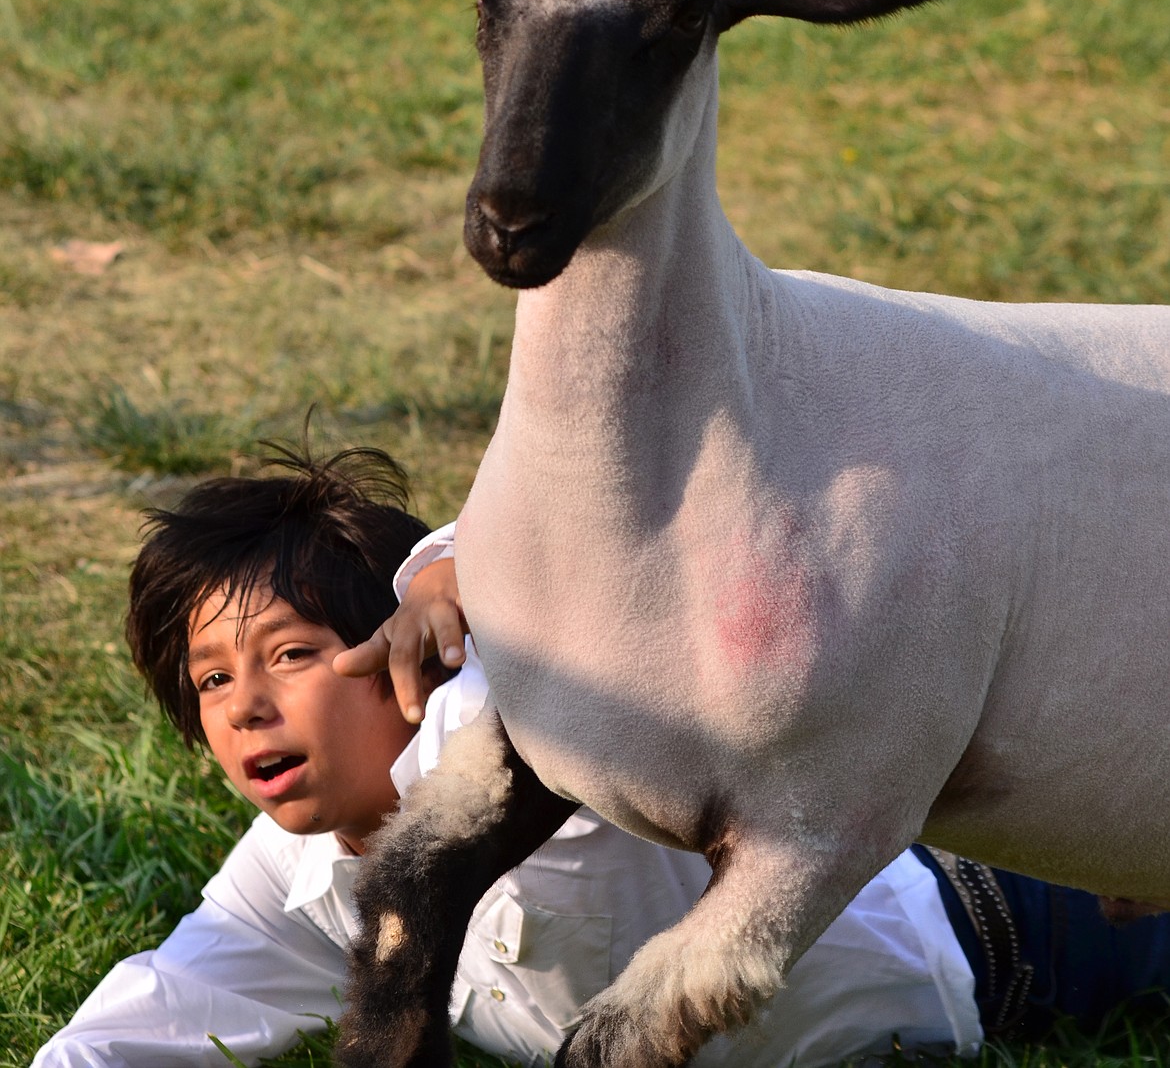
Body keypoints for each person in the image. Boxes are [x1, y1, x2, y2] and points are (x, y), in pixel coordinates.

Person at [33, 445, 1170, 1067]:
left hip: (997, 925)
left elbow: (606, 534)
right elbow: (158, 1012)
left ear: (400, 648)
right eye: (213, 681)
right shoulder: (301, 879)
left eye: (290, 654)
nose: (243, 707)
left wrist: (451, 563)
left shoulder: (531, 730)